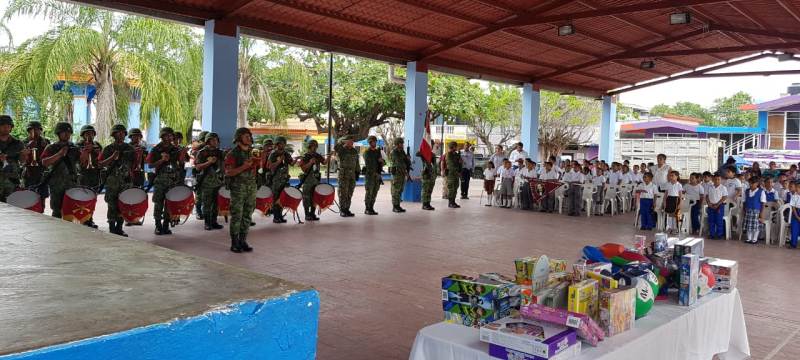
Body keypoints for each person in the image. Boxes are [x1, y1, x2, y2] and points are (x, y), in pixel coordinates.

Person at [224, 128, 258, 253]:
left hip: (251, 187)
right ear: (239, 138)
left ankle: (243, 240)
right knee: (237, 215)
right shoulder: (232, 154)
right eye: (246, 136)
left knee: (248, 215)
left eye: (249, 136)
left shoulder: (252, 152)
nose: (249, 138)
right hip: (238, 188)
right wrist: (244, 166)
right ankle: (234, 242)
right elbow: (229, 172)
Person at [146, 127, 184, 235]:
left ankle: (166, 225)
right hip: (160, 180)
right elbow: (150, 165)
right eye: (167, 135)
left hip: (172, 180)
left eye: (171, 135)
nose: (170, 137)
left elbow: (180, 163)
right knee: (159, 203)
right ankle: (158, 226)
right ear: (162, 136)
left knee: (169, 203)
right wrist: (162, 160)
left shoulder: (175, 149)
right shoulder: (156, 149)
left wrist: (182, 154)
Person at [99, 124, 134, 237]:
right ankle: (112, 228)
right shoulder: (108, 149)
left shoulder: (130, 149)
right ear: (113, 134)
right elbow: (101, 164)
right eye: (118, 132)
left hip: (125, 181)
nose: (121, 134)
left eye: (123, 132)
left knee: (123, 204)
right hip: (112, 181)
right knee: (112, 204)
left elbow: (134, 164)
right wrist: (112, 157)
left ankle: (120, 228)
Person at [41, 122, 79, 218]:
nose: (67, 134)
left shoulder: (75, 148)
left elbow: (82, 162)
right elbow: (44, 162)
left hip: (71, 182)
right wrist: (59, 154)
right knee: (56, 210)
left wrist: (86, 153)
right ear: (58, 133)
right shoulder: (51, 147)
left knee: (72, 209)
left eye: (69, 132)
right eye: (64, 132)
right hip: (56, 183)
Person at [195, 132, 225, 231]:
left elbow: (224, 166)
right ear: (208, 141)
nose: (215, 142)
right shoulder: (202, 152)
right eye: (213, 140)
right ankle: (207, 223)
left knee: (216, 203)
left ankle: (214, 221)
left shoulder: (220, 152)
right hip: (206, 181)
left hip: (218, 181)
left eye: (216, 140)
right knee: (207, 203)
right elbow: (198, 167)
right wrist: (209, 162)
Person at [76, 125, 102, 228]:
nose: (89, 135)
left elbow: (102, 159)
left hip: (95, 175)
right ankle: (81, 219)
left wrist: (97, 152)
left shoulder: (97, 145)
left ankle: (90, 219)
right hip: (83, 176)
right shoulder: (78, 145)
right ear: (82, 135)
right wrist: (86, 151)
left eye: (91, 133)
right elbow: (79, 161)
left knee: (92, 199)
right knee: (82, 199)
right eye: (87, 133)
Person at [298, 139, 328, 221]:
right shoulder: (305, 156)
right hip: (308, 180)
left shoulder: (317, 155)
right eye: (313, 146)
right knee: (307, 198)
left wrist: (329, 157)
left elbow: (324, 162)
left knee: (315, 197)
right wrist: (310, 162)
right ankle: (307, 215)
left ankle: (312, 214)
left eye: (316, 146)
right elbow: (303, 169)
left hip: (316, 179)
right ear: (309, 147)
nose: (315, 148)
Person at [22, 121, 49, 206]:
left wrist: (45, 146)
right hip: (29, 174)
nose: (35, 132)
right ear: (29, 131)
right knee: (28, 201)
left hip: (42, 174)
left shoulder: (45, 141)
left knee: (41, 201)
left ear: (41, 131)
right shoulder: (24, 142)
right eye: (32, 130)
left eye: (37, 129)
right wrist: (28, 146)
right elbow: (21, 160)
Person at [268, 136, 294, 223]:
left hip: (285, 179)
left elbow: (292, 163)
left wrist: (296, 160)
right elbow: (271, 166)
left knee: (282, 198)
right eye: (280, 143)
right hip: (276, 180)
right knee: (276, 198)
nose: (281, 145)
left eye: (283, 143)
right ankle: (276, 217)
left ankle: (280, 216)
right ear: (277, 144)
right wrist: (279, 161)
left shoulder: (286, 154)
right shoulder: (273, 154)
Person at [0, 115, 25, 202]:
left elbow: (22, 161)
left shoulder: (18, 143)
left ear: (11, 128)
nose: (6, 128)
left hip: (11, 181)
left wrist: (24, 155)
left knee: (11, 210)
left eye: (8, 126)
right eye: (3, 125)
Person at [334, 136, 358, 217]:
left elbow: (356, 162)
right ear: (346, 141)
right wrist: (342, 142)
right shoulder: (341, 150)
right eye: (350, 141)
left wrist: (357, 171)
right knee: (342, 193)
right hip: (343, 175)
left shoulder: (354, 151)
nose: (352, 142)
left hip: (352, 175)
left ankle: (347, 209)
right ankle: (342, 210)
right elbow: (336, 147)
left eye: (352, 141)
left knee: (349, 193)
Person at [363, 135, 384, 215]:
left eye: (375, 141)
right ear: (369, 142)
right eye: (373, 142)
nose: (374, 143)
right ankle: (367, 208)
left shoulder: (377, 152)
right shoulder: (367, 152)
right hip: (370, 176)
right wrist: (376, 174)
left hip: (377, 176)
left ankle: (371, 207)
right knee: (369, 192)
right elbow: (369, 165)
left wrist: (382, 161)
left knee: (375, 192)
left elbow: (382, 163)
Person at [389, 138, 410, 213]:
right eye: (401, 143)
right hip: (397, 174)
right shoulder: (394, 152)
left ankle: (398, 205)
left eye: (402, 143)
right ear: (397, 144)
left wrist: (407, 159)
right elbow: (399, 162)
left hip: (402, 173)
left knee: (400, 190)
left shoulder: (402, 152)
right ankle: (395, 206)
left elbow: (405, 161)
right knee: (395, 190)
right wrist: (406, 159)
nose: (402, 144)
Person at [742, 177, 766, 244]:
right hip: (748, 210)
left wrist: (761, 213)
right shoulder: (746, 191)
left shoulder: (761, 191)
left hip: (756, 211)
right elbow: (744, 201)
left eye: (753, 183)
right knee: (748, 225)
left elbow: (763, 203)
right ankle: (749, 238)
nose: (751, 184)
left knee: (756, 226)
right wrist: (744, 210)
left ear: (757, 183)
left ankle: (754, 239)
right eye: (750, 183)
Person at [706, 174, 728, 240]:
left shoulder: (723, 187)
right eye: (715, 179)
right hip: (711, 205)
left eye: (718, 179)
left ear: (721, 180)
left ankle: (719, 234)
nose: (717, 181)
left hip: (719, 206)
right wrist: (709, 203)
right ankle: (712, 234)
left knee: (719, 221)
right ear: (713, 180)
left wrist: (718, 204)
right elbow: (707, 196)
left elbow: (724, 197)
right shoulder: (710, 187)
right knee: (711, 220)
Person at [191, 131, 208, 220]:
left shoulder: (211, 149)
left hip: (208, 175)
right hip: (199, 174)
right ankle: (198, 211)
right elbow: (195, 161)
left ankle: (203, 211)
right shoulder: (198, 149)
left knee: (205, 195)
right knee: (199, 195)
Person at [417, 145, 437, 211]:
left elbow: (434, 164)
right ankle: (424, 204)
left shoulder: (432, 154)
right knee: (425, 190)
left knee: (429, 190)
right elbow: (417, 154)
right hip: (426, 174)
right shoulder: (424, 153)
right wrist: (424, 151)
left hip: (431, 174)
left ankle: (428, 203)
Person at [443, 141, 462, 208]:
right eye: (455, 146)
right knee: (451, 188)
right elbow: (451, 165)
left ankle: (453, 201)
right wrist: (458, 162)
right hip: (451, 174)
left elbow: (460, 163)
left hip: (456, 174)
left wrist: (460, 163)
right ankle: (450, 203)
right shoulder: (449, 154)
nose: (457, 147)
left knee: (455, 187)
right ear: (453, 147)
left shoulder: (456, 154)